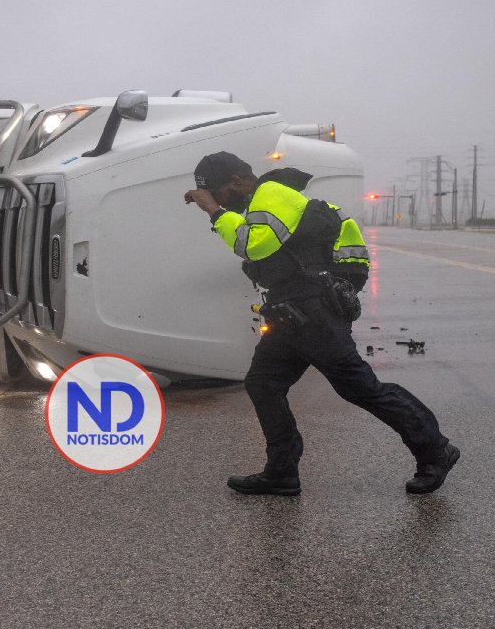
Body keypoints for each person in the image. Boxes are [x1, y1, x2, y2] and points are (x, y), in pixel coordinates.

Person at [183, 151, 458, 496]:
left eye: (218, 193)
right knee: (263, 383)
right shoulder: (269, 201)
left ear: (238, 181)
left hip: (313, 314)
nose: (217, 201)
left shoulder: (271, 194)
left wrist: (214, 211)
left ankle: (435, 449)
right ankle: (281, 472)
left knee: (360, 388)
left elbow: (253, 246)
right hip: (292, 314)